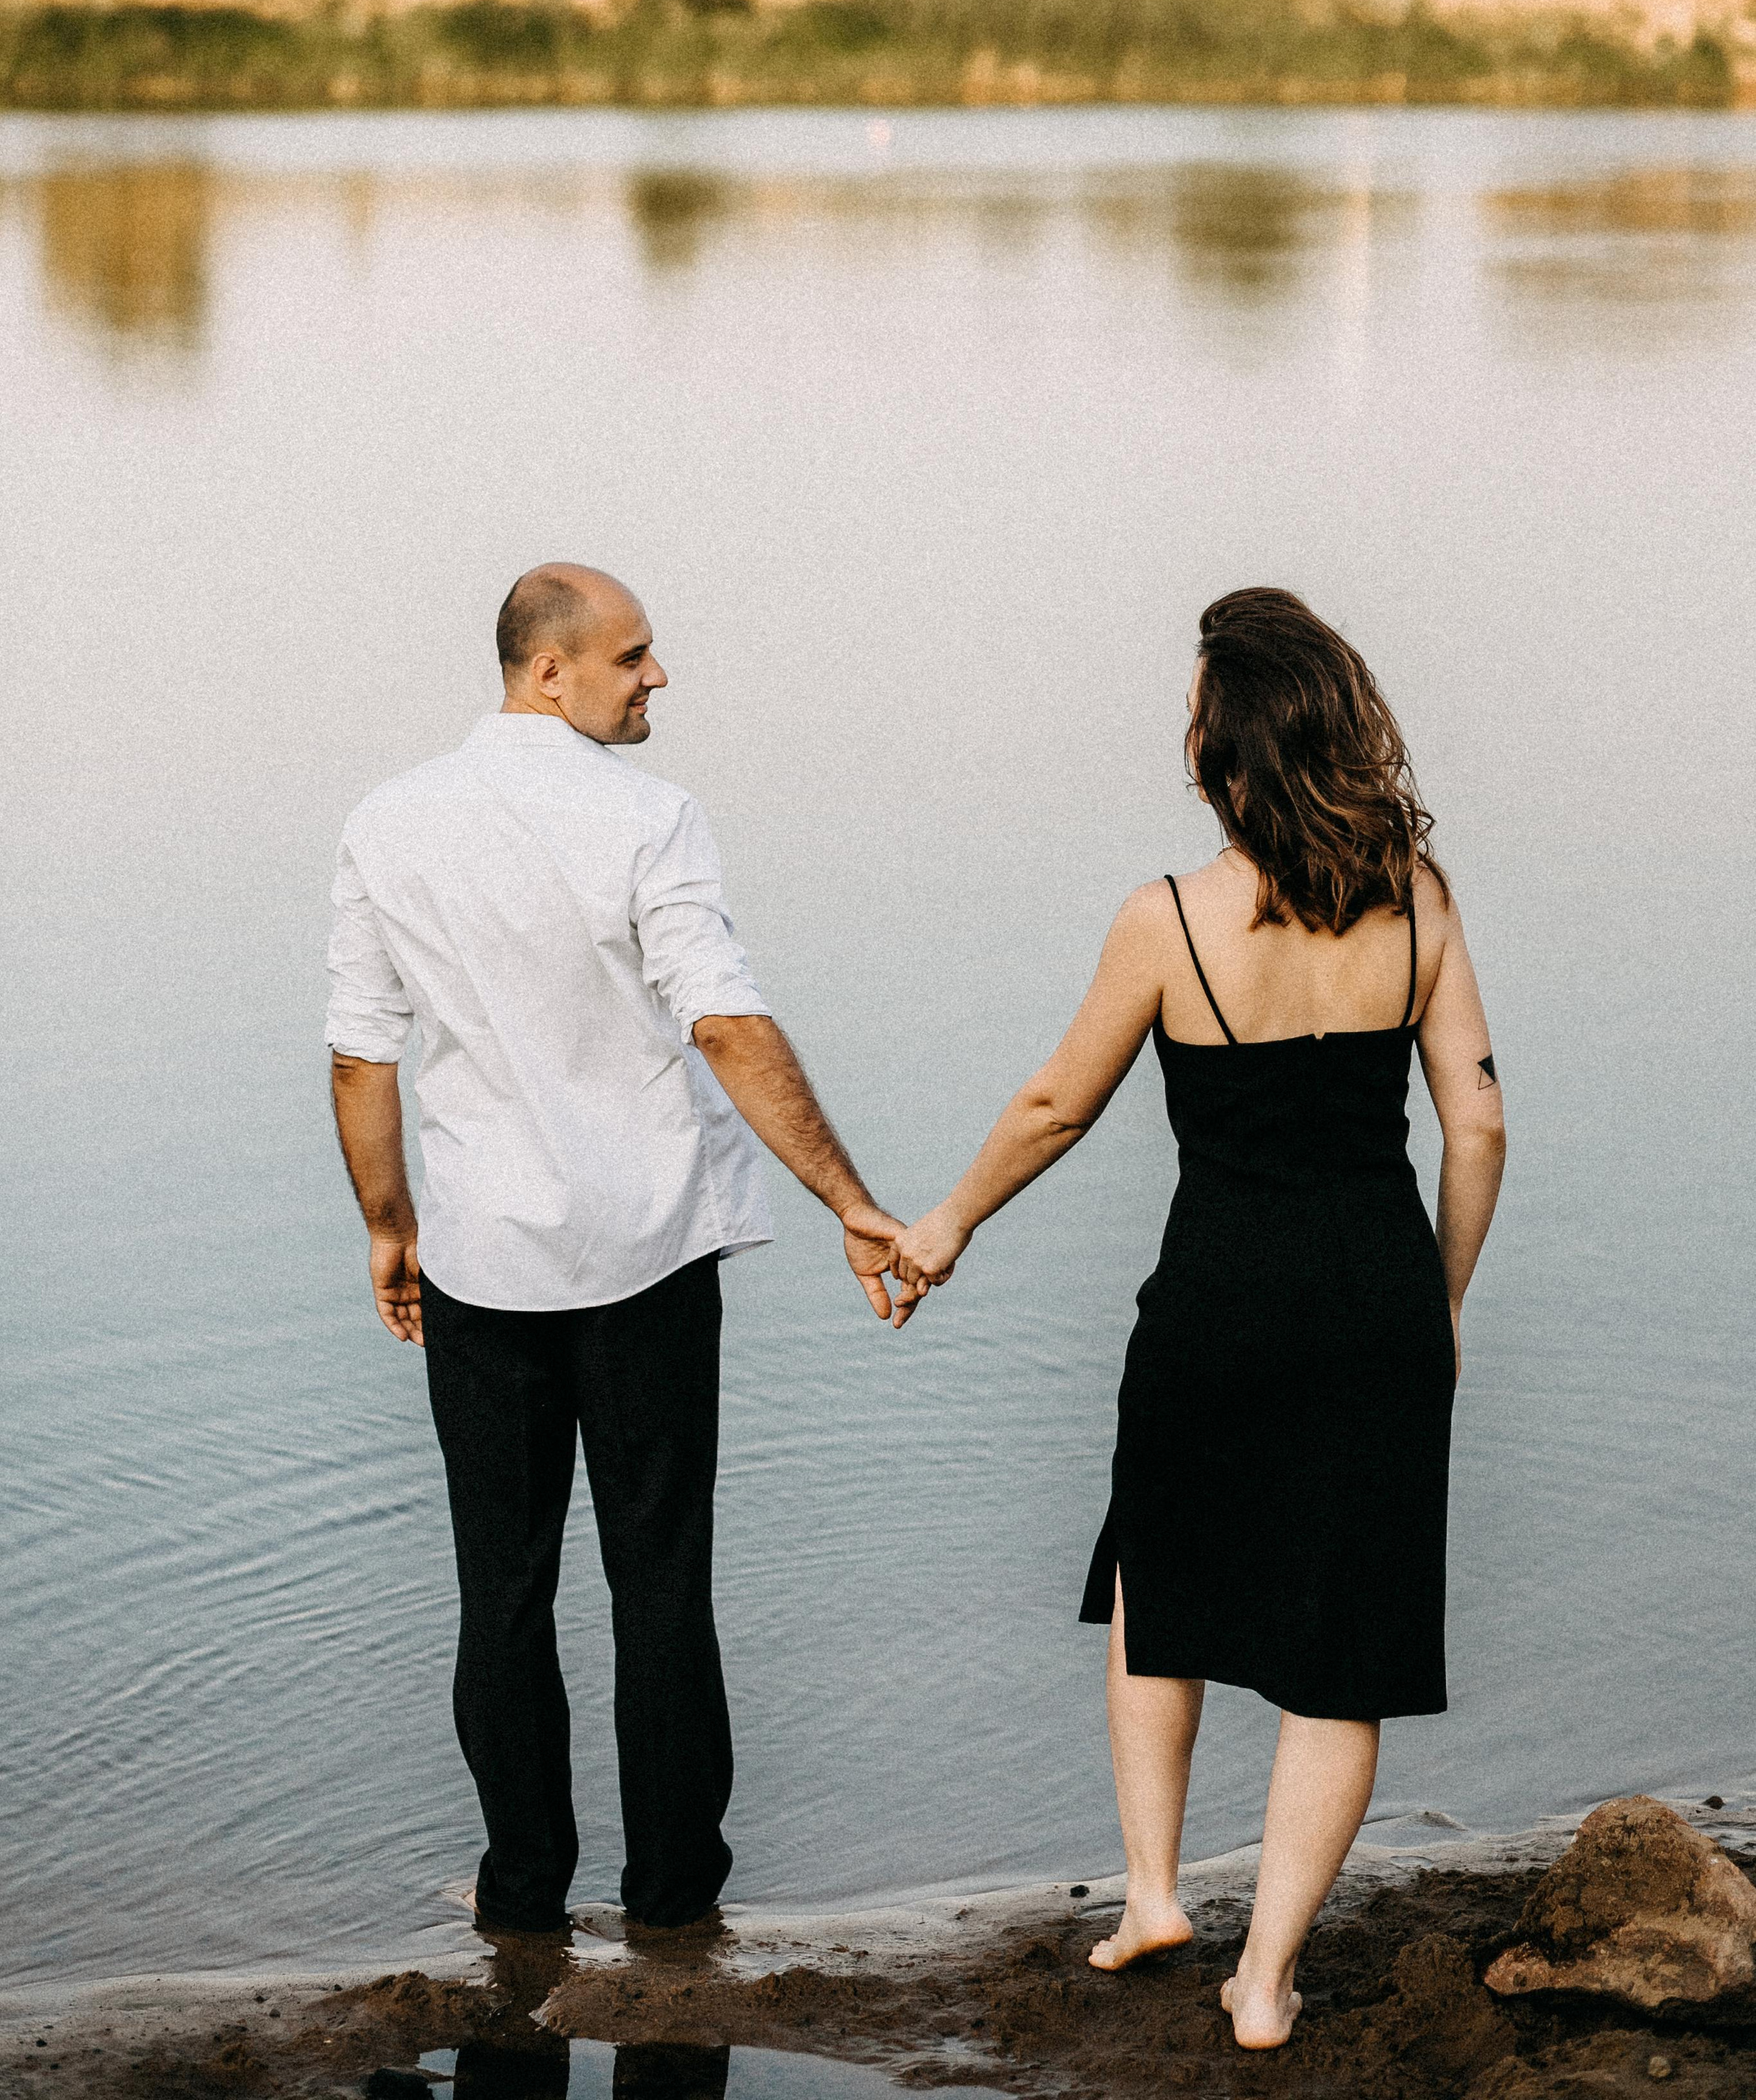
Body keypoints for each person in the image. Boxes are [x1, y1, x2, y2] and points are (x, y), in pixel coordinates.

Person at [892, 586, 1504, 2051]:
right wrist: (1440, 1304)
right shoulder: (1416, 901)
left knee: (1157, 1581)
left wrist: (942, 1226)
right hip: (1371, 1298)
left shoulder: (1163, 921)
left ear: (1222, 760)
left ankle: (1157, 1894)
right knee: (1338, 1647)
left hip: (1214, 1304)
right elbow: (1473, 1126)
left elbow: (1055, 1106)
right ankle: (1266, 1979)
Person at [325, 564, 914, 1938]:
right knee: (659, 1583)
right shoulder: (652, 821)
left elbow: (362, 1051)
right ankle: (669, 1901)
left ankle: (522, 1895)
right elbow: (722, 1021)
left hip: (479, 1260)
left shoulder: (388, 823)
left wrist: (386, 1224)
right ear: (551, 671)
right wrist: (845, 1195)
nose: (656, 677)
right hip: (649, 1255)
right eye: (633, 656)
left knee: (502, 1589)